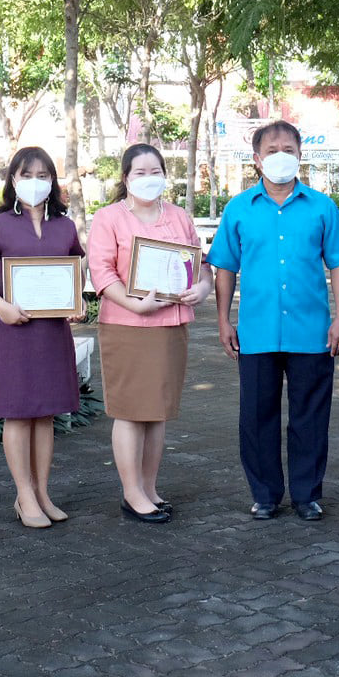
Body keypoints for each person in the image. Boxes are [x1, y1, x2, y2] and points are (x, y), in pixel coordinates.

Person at [209, 121, 339, 521]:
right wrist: (223, 321)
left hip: (312, 333)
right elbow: (224, 268)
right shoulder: (239, 208)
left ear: (300, 155)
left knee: (311, 417)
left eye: (288, 148)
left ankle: (307, 494)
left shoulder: (323, 207)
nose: (280, 156)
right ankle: (266, 494)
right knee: (256, 418)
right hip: (256, 332)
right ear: (256, 159)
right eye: (271, 150)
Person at [87, 144, 212, 523]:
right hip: (127, 324)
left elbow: (200, 266)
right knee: (130, 412)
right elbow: (102, 273)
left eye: (155, 170)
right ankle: (131, 493)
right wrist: (134, 302)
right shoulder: (109, 218)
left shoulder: (178, 216)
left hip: (170, 325)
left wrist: (202, 289)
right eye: (139, 172)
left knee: (156, 413)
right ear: (125, 178)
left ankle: (150, 487)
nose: (148, 177)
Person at [0, 147, 85, 529]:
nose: (35, 182)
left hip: (52, 333)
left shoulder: (65, 226)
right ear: (12, 180)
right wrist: (0, 306)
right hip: (14, 331)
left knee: (46, 414)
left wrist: (77, 303)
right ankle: (24, 495)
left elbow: (74, 273)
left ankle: (42, 492)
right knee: (20, 414)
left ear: (53, 181)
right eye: (26, 174)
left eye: (43, 175)